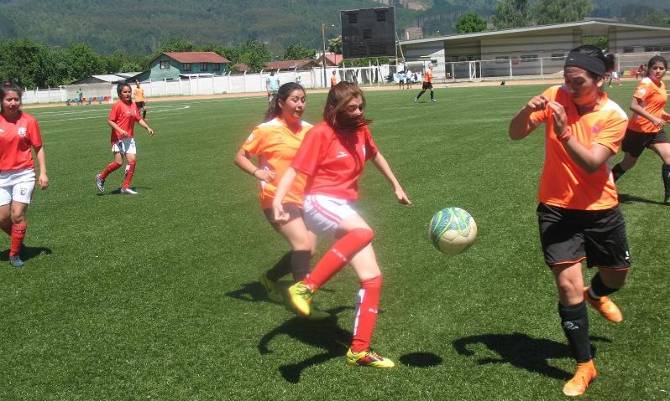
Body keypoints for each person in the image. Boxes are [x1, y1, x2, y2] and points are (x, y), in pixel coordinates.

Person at [508, 45, 631, 397]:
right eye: (566, 80)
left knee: (616, 277)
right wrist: (525, 110)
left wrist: (563, 133)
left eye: (577, 82)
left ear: (600, 79)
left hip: (600, 209)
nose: (569, 88)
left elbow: (593, 162)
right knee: (566, 286)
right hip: (556, 208)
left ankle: (597, 293)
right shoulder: (554, 96)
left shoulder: (614, 115)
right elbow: (515, 133)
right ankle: (584, 364)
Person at [273, 82, 411, 368]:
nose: (358, 112)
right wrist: (278, 200)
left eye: (361, 106)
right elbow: (295, 170)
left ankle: (359, 350)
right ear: (336, 108)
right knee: (363, 232)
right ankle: (305, 288)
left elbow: (376, 155)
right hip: (318, 201)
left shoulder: (361, 130)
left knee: (372, 277)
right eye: (351, 108)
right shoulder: (320, 133)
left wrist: (396, 185)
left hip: (343, 205)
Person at [234, 82, 317, 303]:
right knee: (302, 245)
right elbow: (240, 156)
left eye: (303, 99)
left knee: (309, 249)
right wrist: (257, 172)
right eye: (294, 99)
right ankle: (304, 302)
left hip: (305, 197)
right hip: (275, 197)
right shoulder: (266, 130)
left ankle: (269, 278)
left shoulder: (310, 130)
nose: (300, 104)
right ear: (281, 103)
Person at [0, 82, 49, 268]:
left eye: (16, 99)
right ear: (1, 100)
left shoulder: (29, 121)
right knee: (2, 218)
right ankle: (18, 240)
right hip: (2, 175)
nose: (13, 103)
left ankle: (14, 254)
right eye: (8, 99)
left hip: (24, 173)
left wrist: (43, 172)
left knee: (17, 214)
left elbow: (39, 147)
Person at [611, 56, 670, 204]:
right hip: (638, 131)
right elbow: (634, 106)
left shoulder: (661, 85)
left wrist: (666, 117)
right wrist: (653, 119)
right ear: (649, 69)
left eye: (661, 68)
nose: (658, 71)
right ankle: (604, 185)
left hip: (655, 131)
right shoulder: (646, 83)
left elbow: (657, 109)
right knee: (628, 163)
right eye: (655, 68)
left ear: (665, 70)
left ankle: (669, 194)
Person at [95, 83, 155, 195]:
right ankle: (101, 177)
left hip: (129, 138)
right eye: (124, 92)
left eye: (129, 92)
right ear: (119, 94)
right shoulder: (117, 105)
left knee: (132, 161)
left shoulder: (133, 105)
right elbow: (110, 121)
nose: (127, 94)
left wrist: (147, 127)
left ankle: (125, 187)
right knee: (118, 163)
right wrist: (120, 130)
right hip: (118, 138)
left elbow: (138, 118)